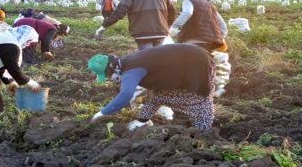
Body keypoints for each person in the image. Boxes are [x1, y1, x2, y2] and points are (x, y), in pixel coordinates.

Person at [87, 44, 215, 131]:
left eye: (107, 76)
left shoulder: (130, 72)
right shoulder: (124, 62)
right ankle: (143, 120)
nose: (109, 79)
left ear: (110, 70)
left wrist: (102, 113)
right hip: (190, 57)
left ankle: (204, 131)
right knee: (159, 96)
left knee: (200, 98)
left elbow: (126, 94)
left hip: (197, 61)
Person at [169, 0, 230, 97]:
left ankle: (192, 93)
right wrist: (220, 37)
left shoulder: (188, 2)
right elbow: (223, 25)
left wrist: (175, 27)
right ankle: (215, 88)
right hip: (211, 41)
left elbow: (187, 13)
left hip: (193, 40)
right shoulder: (210, 5)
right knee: (207, 64)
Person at [95, 0, 176, 50]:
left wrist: (104, 26)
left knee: (146, 58)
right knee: (157, 57)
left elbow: (119, 12)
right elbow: (172, 12)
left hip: (142, 33)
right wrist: (166, 26)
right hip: (160, 32)